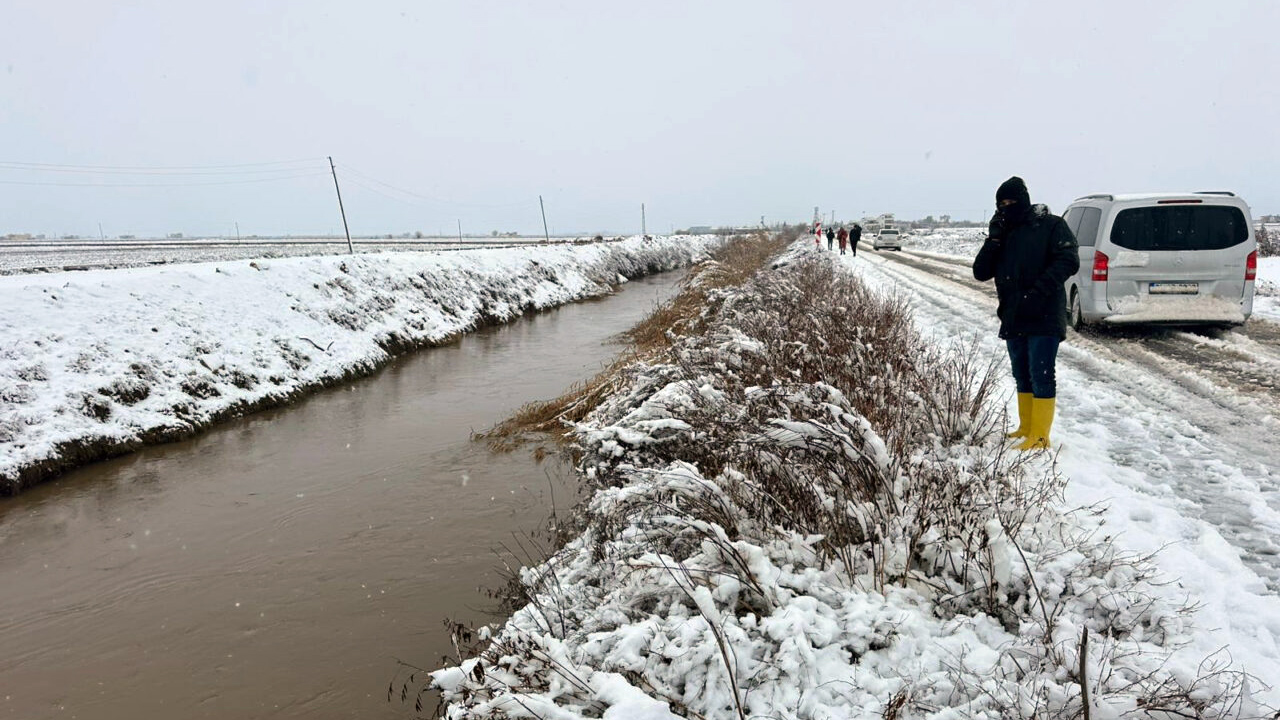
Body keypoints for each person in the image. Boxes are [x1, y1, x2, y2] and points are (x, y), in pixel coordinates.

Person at [972, 177, 1079, 450]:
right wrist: (993, 240)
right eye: (1002, 204)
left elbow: (1068, 260)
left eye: (1011, 202)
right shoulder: (1004, 232)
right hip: (1013, 314)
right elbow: (980, 272)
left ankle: (1040, 436)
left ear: (1025, 200)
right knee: (1021, 372)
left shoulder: (1052, 225)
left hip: (1044, 314)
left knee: (1041, 372)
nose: (1007, 207)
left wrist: (1038, 292)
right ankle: (1026, 427)